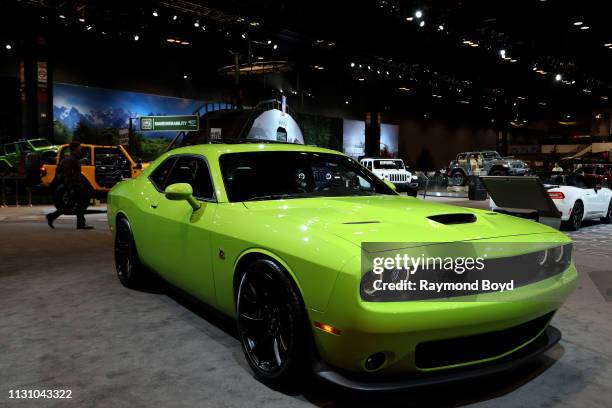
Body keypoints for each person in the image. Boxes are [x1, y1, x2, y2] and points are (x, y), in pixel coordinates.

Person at [46, 141, 93, 229]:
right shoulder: (69, 160)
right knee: (83, 202)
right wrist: (70, 188)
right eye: (79, 147)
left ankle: (52, 216)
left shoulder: (74, 159)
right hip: (74, 186)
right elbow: (67, 175)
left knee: (71, 205)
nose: (81, 148)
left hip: (76, 185)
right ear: (75, 148)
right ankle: (80, 224)